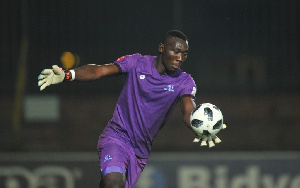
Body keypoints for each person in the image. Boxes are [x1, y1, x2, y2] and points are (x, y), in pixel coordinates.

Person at [38, 30, 223, 188]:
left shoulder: (184, 81)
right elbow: (99, 71)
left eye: (184, 54)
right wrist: (68, 75)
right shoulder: (136, 63)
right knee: (114, 182)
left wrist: (200, 127)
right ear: (161, 48)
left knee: (111, 184)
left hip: (140, 152)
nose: (180, 58)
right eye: (176, 51)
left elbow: (188, 111)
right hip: (116, 136)